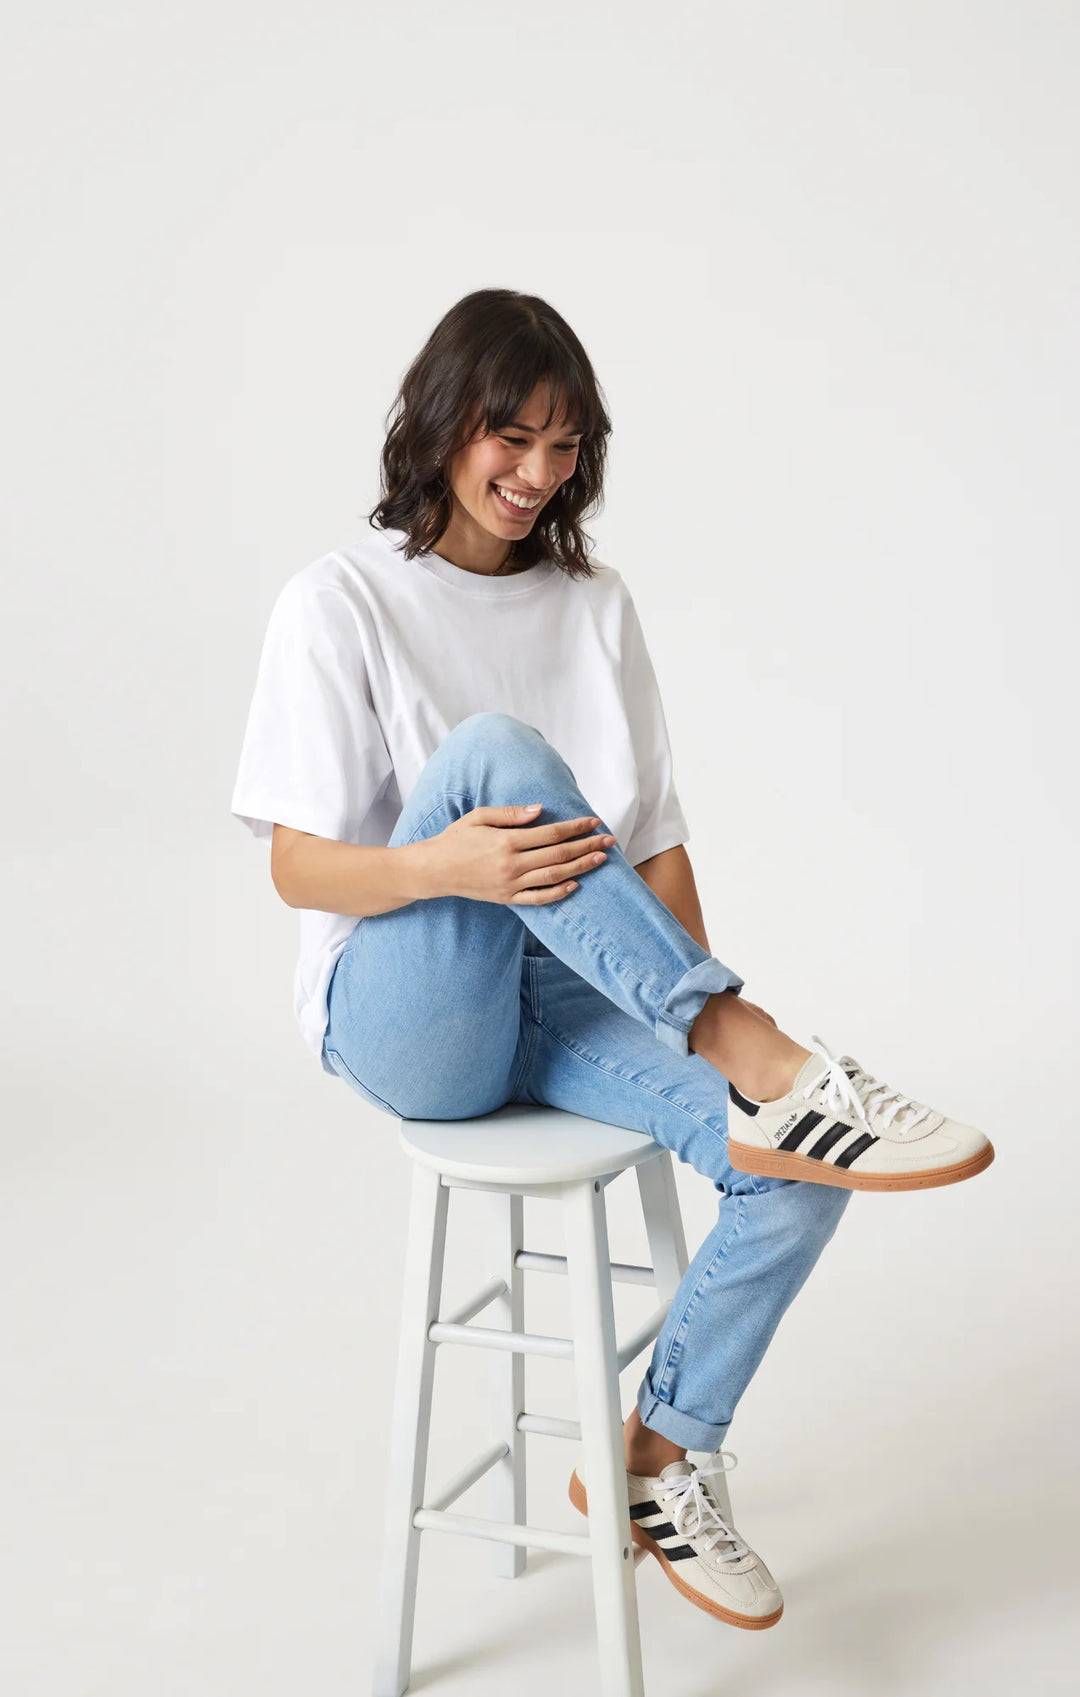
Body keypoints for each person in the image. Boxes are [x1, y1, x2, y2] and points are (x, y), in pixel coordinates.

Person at [230, 288, 994, 1631]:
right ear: (443, 423)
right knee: (495, 757)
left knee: (798, 1163)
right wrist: (445, 868)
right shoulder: (340, 600)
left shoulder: (595, 603)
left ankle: (654, 1457)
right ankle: (763, 1053)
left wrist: (680, 990)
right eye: (510, 436)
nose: (536, 473)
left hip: (563, 994)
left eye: (564, 445)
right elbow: (298, 866)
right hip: (406, 1009)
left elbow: (655, 847)